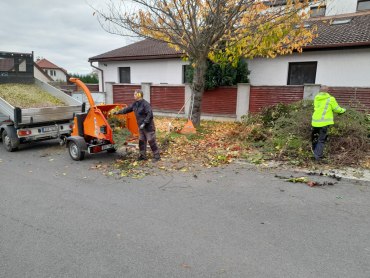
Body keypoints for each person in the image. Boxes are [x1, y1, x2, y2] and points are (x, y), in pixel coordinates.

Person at [114, 89, 161, 162]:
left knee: (151, 141)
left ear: (139, 95)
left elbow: (150, 114)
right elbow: (127, 109)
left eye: (135, 94)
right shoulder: (135, 104)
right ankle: (142, 156)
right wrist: (118, 112)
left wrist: (144, 123)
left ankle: (157, 156)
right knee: (141, 141)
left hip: (148, 127)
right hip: (141, 127)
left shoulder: (145, 104)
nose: (134, 95)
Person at [311, 85, 346, 162]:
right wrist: (343, 110)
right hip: (324, 123)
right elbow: (336, 109)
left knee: (315, 139)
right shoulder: (330, 99)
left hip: (315, 122)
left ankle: (314, 152)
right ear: (327, 91)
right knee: (321, 140)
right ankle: (317, 157)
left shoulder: (316, 98)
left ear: (320, 91)